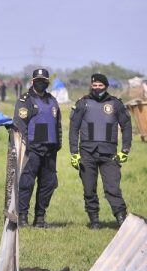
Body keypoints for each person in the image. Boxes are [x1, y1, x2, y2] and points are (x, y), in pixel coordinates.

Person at [69, 74, 132, 228]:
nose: (97, 88)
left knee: (113, 189)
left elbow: (127, 126)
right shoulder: (83, 103)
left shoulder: (115, 104)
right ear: (91, 86)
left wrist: (125, 149)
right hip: (87, 154)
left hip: (109, 154)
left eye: (100, 85)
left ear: (106, 86)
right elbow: (74, 129)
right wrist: (74, 152)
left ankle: (121, 220)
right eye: (94, 85)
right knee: (89, 189)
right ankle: (94, 221)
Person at [14, 68, 62, 228]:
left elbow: (58, 125)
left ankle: (40, 218)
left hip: (50, 150)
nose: (41, 83)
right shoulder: (25, 100)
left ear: (47, 83)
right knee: (27, 183)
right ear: (33, 82)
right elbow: (20, 125)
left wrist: (58, 144)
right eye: (38, 80)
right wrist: (28, 144)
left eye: (44, 81)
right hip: (32, 149)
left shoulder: (52, 100)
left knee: (48, 184)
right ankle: (22, 218)